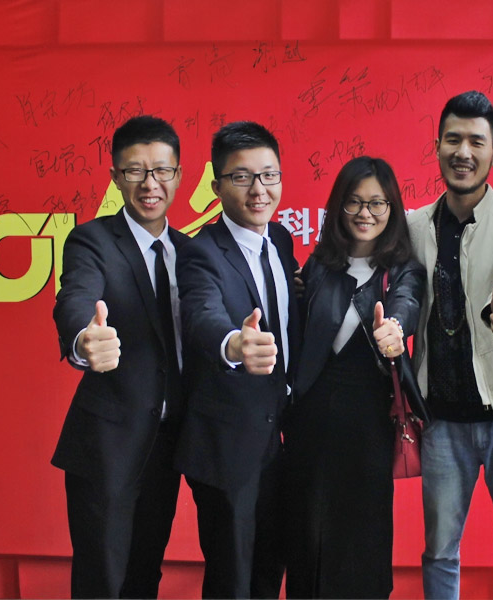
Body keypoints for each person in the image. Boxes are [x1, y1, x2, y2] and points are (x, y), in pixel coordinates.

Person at [407, 90, 493, 600]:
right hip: (441, 421)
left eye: (476, 141)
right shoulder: (413, 225)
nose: (463, 152)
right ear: (437, 146)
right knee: (439, 552)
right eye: (453, 139)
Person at [52, 115, 187, 598]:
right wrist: (83, 339)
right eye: (135, 171)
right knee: (101, 581)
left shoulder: (191, 251)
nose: (150, 184)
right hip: (107, 446)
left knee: (144, 575)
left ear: (178, 175)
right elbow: (75, 297)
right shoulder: (92, 240)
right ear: (115, 177)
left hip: (168, 444)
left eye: (161, 170)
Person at [283, 156, 427, 599]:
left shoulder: (403, 269)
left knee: (363, 533)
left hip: (368, 421)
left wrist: (394, 330)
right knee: (307, 528)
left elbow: (405, 305)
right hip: (311, 419)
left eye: (377, 203)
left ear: (392, 209)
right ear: (339, 207)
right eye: (355, 202)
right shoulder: (319, 266)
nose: (366, 213)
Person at [173, 121, 299, 599]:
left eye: (269, 175)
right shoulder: (200, 253)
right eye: (242, 177)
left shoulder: (281, 240)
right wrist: (233, 345)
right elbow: (201, 314)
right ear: (216, 186)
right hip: (228, 443)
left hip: (281, 439)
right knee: (232, 578)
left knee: (269, 569)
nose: (258, 190)